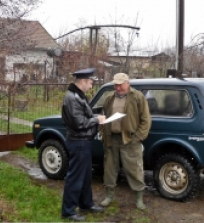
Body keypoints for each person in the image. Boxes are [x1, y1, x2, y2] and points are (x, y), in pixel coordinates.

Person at [99, 73, 151, 209]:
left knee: (135, 169)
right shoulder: (109, 98)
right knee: (109, 169)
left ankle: (139, 199)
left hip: (130, 140)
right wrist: (103, 133)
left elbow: (146, 120)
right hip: (112, 139)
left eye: (120, 84)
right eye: (115, 84)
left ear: (127, 83)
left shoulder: (138, 97)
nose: (118, 87)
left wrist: (139, 136)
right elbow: (104, 117)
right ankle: (109, 196)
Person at [61, 67, 106, 222]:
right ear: (83, 81)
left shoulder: (78, 96)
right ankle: (68, 211)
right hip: (78, 142)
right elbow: (79, 123)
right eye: (90, 82)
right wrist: (97, 120)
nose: (91, 85)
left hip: (84, 142)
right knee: (75, 177)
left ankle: (86, 204)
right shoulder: (72, 98)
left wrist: (95, 116)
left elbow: (83, 116)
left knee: (86, 176)